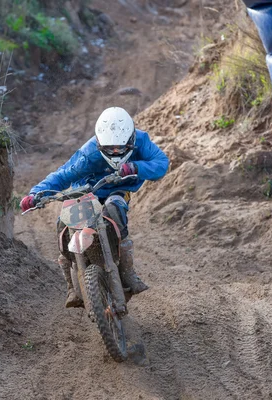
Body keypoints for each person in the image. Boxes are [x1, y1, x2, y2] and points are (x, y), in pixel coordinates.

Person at [20, 107, 169, 308]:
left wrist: (136, 168)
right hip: (87, 190)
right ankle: (70, 285)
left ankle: (128, 272)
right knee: (63, 223)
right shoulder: (89, 153)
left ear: (131, 140)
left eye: (121, 147)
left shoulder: (142, 140)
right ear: (99, 143)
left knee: (115, 208)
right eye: (110, 148)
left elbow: (162, 164)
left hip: (119, 189)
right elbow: (63, 174)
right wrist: (35, 194)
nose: (116, 151)